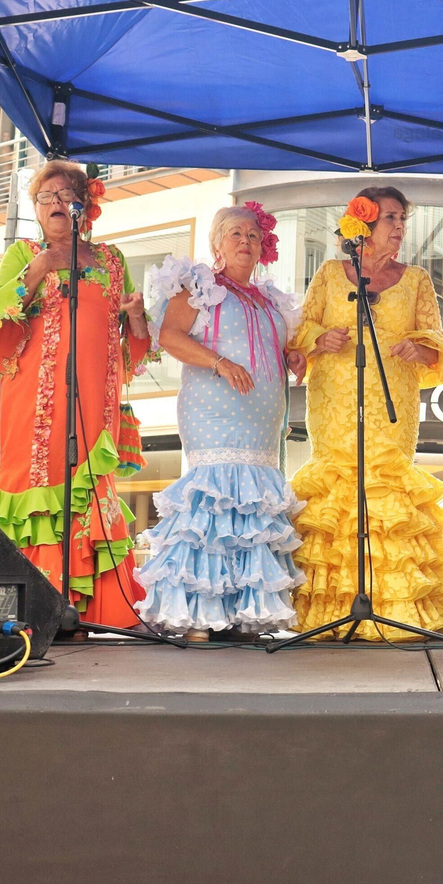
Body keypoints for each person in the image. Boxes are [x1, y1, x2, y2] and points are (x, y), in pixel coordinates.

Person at [0, 160, 152, 632]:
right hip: (34, 398)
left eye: (64, 196)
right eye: (44, 198)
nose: (54, 204)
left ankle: (85, 609)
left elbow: (133, 347)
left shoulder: (112, 260)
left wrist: (136, 316)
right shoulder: (23, 254)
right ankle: (22, 613)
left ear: (84, 206)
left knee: (85, 485)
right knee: (30, 484)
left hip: (94, 400)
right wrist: (39, 270)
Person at [286, 187, 443, 639]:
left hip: (392, 406)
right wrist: (318, 339)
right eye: (390, 218)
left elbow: (439, 340)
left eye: (403, 218)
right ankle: (331, 615)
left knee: (387, 494)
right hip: (335, 406)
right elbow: (301, 330)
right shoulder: (329, 274)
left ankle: (396, 614)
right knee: (338, 496)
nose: (400, 227)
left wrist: (420, 347)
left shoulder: (418, 278)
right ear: (362, 226)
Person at [134, 203, 311, 642]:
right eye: (235, 234)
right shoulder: (200, 286)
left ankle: (241, 613)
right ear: (217, 243)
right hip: (214, 408)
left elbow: (273, 347)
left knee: (252, 509)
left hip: (263, 417)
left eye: (253, 236)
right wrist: (219, 362)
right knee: (215, 502)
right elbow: (169, 336)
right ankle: (200, 615)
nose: (245, 242)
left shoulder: (270, 300)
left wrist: (292, 357)